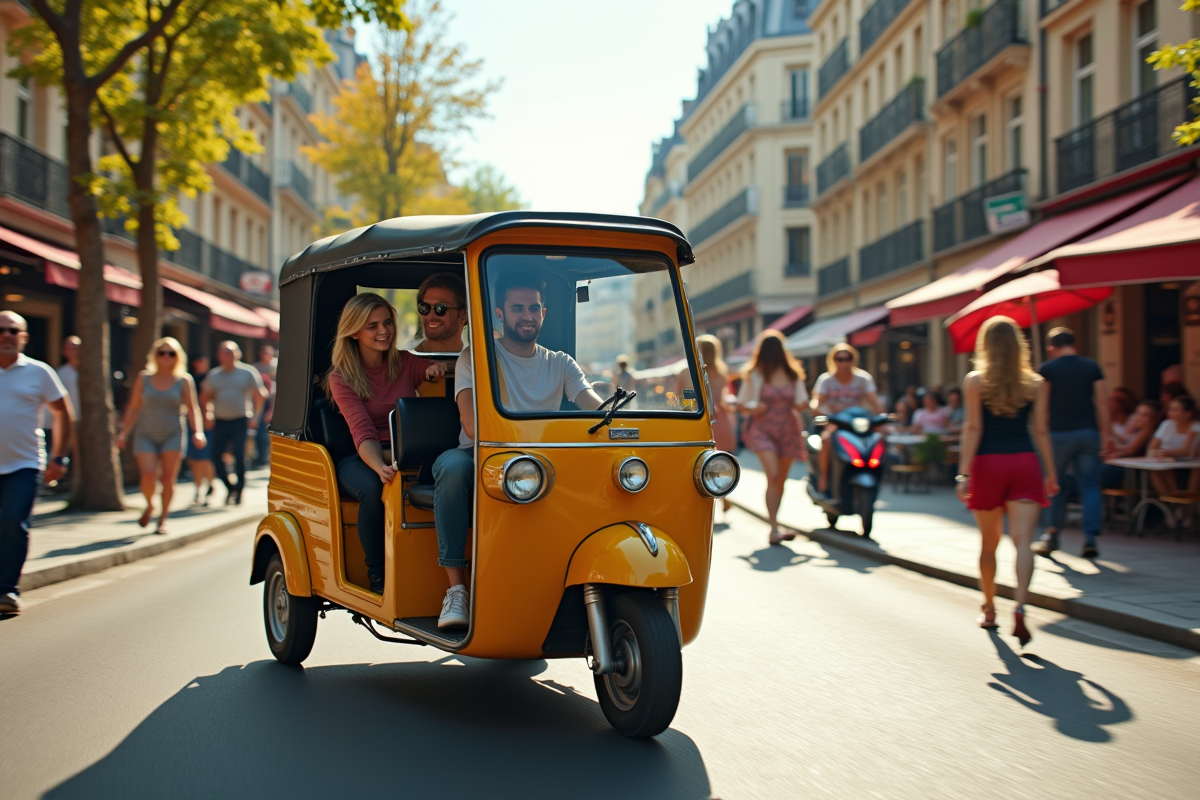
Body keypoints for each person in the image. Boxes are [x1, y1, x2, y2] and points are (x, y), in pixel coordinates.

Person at [439, 272, 603, 628]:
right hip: (483, 455)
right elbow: (470, 423)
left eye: (533, 308)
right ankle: (457, 591)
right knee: (451, 469)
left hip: (544, 460)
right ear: (500, 313)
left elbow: (595, 407)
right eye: (518, 308)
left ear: (543, 312)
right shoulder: (476, 358)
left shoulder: (560, 363)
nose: (526, 315)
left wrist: (616, 419)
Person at [327, 293, 442, 595]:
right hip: (363, 457)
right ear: (354, 332)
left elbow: (427, 367)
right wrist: (379, 466)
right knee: (373, 489)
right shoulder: (342, 378)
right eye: (372, 326)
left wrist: (433, 370)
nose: (384, 331)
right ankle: (377, 574)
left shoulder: (404, 361)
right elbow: (362, 430)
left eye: (388, 322)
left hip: (407, 451)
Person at [955, 316, 1058, 647]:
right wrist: (1051, 472)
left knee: (989, 544)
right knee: (1023, 541)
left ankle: (988, 608)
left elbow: (973, 428)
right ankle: (1021, 605)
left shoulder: (975, 381)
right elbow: (1041, 430)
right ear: (1019, 346)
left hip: (988, 464)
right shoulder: (1037, 383)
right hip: (1024, 463)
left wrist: (963, 473)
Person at [0, 311, 72, 615]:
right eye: (1, 330)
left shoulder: (39, 372)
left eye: (13, 330)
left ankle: (6, 589)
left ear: (24, 337)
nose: (6, 335)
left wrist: (59, 457)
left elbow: (63, 413)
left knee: (14, 523)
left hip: (24, 465)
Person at [1033, 328, 1110, 559]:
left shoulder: (1047, 369)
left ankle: (1052, 534)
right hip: (1088, 433)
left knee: (1054, 485)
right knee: (1089, 485)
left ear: (1051, 348)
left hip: (1058, 435)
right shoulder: (1091, 366)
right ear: (1074, 345)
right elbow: (1102, 402)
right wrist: (1106, 435)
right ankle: (1090, 537)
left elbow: (1042, 407)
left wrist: (1040, 432)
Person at [116, 338, 206, 534]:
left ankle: (163, 519)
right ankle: (149, 505)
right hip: (145, 433)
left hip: (173, 433)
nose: (166, 357)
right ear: (155, 356)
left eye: (171, 353)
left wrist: (198, 431)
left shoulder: (184, 380)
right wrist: (124, 432)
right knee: (148, 475)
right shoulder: (144, 378)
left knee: (167, 479)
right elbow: (133, 407)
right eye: (162, 353)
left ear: (177, 357)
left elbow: (193, 408)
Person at [736, 330, 809, 545]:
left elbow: (801, 400)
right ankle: (774, 527)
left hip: (788, 428)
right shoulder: (755, 373)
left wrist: (803, 404)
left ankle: (775, 523)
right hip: (763, 428)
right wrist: (755, 406)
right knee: (774, 476)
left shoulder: (792, 374)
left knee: (781, 480)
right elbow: (742, 403)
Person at [200, 341, 267, 505]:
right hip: (221, 421)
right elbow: (204, 397)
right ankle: (230, 487)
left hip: (241, 420)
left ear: (237, 354)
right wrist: (207, 414)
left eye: (230, 352)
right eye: (223, 352)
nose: (226, 355)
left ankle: (239, 491)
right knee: (216, 456)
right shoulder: (214, 375)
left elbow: (260, 395)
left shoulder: (247, 372)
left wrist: (256, 417)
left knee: (239, 456)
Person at [810, 343, 881, 496]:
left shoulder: (862, 378)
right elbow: (817, 404)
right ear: (833, 360)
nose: (843, 362)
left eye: (847, 358)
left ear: (853, 360)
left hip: (857, 422)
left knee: (877, 440)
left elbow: (875, 403)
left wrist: (882, 419)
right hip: (836, 422)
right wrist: (821, 414)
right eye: (839, 359)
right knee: (826, 439)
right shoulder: (826, 380)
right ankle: (824, 477)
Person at [1101, 400, 1161, 489]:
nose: (1138, 418)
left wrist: (1114, 449)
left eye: (1144, 416)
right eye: (1137, 414)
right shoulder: (1136, 431)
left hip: (1136, 470)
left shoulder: (1147, 430)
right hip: (1127, 466)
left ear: (1153, 420)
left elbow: (1131, 450)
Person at [1147, 395, 1200, 497]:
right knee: (1156, 470)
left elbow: (1188, 451)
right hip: (1171, 462)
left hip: (1192, 465)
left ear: (1188, 413)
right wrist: (1158, 453)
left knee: (1197, 472)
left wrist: (1165, 452)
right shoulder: (1166, 424)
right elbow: (1152, 447)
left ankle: (1188, 504)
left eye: (1175, 410)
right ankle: (1172, 501)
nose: (1169, 412)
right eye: (1170, 409)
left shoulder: (1196, 427)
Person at [407, 272, 468, 353]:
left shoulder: (476, 360)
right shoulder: (405, 358)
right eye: (425, 307)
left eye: (441, 308)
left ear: (463, 316)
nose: (431, 316)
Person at [186, 355, 216, 504]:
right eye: (201, 361)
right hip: (190, 422)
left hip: (206, 422)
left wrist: (209, 414)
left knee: (205, 458)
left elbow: (211, 398)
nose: (205, 363)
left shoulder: (212, 377)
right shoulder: (188, 379)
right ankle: (198, 489)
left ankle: (210, 485)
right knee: (194, 460)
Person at [252, 344, 277, 468]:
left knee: (268, 432)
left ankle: (267, 456)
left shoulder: (277, 366)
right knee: (259, 432)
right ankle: (260, 456)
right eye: (265, 353)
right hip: (259, 402)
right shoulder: (255, 368)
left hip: (273, 402)